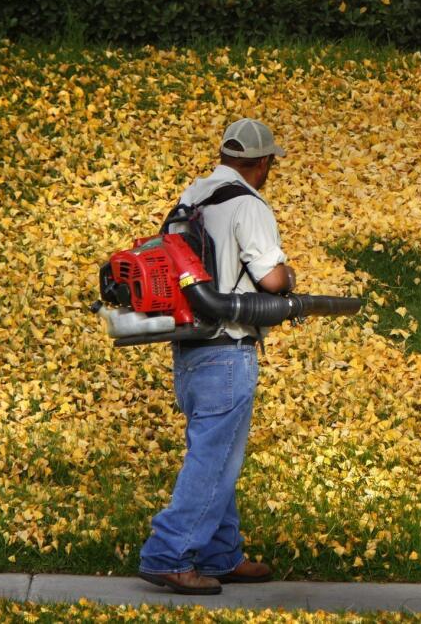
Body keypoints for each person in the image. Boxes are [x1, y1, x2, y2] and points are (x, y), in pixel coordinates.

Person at [137, 118, 296, 595]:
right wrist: (288, 277)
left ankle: (221, 555)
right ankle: (169, 554)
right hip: (228, 346)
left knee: (215, 451)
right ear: (262, 162)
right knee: (214, 458)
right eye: (270, 163)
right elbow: (270, 280)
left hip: (189, 347)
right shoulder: (248, 204)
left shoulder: (193, 197)